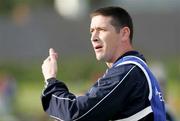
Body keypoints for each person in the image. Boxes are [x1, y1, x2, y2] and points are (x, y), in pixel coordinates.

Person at [41, 6, 166, 121]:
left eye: (101, 29)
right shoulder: (135, 69)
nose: (93, 37)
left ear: (124, 34)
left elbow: (76, 114)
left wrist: (51, 80)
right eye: (92, 31)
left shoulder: (127, 71)